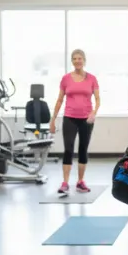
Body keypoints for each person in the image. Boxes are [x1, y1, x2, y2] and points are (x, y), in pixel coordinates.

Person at [50, 49, 100, 194]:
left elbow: (97, 99)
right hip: (70, 117)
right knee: (68, 149)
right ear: (72, 61)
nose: (77, 61)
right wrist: (53, 119)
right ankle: (65, 182)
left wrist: (94, 112)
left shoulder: (92, 78)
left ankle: (80, 181)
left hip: (86, 119)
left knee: (83, 149)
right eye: (74, 58)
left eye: (80, 58)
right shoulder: (66, 79)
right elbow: (60, 100)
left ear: (84, 60)